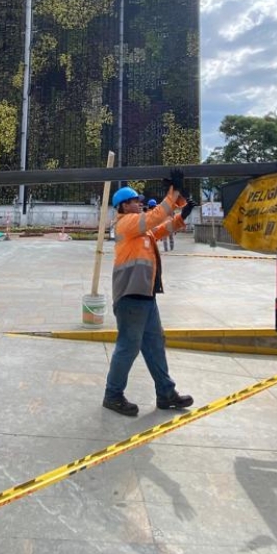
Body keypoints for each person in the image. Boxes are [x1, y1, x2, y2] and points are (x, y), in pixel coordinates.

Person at [102, 170, 197, 416]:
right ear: (124, 205)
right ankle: (113, 395)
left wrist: (181, 216)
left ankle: (166, 394)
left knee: (155, 345)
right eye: (135, 201)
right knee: (128, 346)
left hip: (145, 297)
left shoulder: (140, 231)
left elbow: (160, 229)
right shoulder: (126, 223)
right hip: (131, 297)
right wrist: (172, 193)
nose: (140, 203)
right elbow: (155, 217)